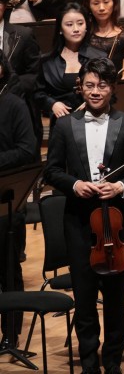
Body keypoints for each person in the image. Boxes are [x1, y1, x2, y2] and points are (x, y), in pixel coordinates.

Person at [43, 57, 124, 374]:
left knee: (117, 299)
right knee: (85, 299)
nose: (95, 91)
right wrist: (75, 184)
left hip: (117, 224)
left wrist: (119, 185)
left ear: (112, 87)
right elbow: (51, 171)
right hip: (78, 222)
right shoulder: (64, 126)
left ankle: (113, 362)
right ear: (80, 88)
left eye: (102, 85)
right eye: (89, 85)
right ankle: (89, 363)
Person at [0, 52, 37, 354]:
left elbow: (27, 150)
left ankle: (10, 337)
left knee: (8, 271)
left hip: (6, 200)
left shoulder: (14, 104)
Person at [34, 3, 102, 121]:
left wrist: (93, 102)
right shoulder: (47, 61)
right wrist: (52, 104)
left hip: (94, 120)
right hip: (60, 123)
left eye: (80, 23)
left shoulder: (99, 58)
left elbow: (111, 93)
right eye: (69, 25)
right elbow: (37, 93)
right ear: (60, 29)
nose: (76, 29)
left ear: (86, 26)